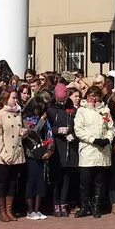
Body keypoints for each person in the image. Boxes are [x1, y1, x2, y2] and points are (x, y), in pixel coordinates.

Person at [73, 86, 114, 218]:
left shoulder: (105, 110)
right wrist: (92, 139)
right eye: (91, 95)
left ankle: (96, 207)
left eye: (96, 95)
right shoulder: (82, 110)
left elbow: (111, 128)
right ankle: (84, 206)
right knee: (85, 181)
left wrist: (107, 139)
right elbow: (78, 129)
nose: (94, 98)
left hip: (102, 151)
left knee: (99, 181)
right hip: (88, 150)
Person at [0, 90, 26, 222]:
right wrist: (4, 154)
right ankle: (2, 211)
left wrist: (23, 132)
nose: (15, 100)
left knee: (12, 183)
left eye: (16, 98)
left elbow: (20, 131)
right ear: (5, 98)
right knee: (1, 183)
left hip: (17, 153)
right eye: (13, 98)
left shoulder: (18, 113)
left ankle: (9, 210)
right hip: (4, 155)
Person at [47, 85, 79, 217]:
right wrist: (57, 130)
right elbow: (47, 127)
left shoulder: (72, 110)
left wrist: (73, 135)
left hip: (69, 146)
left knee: (67, 177)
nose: (62, 102)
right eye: (60, 100)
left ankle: (64, 203)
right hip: (56, 146)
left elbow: (77, 126)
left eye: (63, 100)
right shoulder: (50, 109)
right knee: (56, 179)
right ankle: (55, 203)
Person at [22, 97, 52, 220]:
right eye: (38, 108)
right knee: (32, 181)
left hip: (43, 151)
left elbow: (49, 133)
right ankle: (30, 210)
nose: (40, 111)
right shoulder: (26, 118)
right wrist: (41, 121)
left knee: (41, 181)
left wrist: (50, 149)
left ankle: (38, 209)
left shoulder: (44, 118)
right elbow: (32, 132)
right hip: (31, 152)